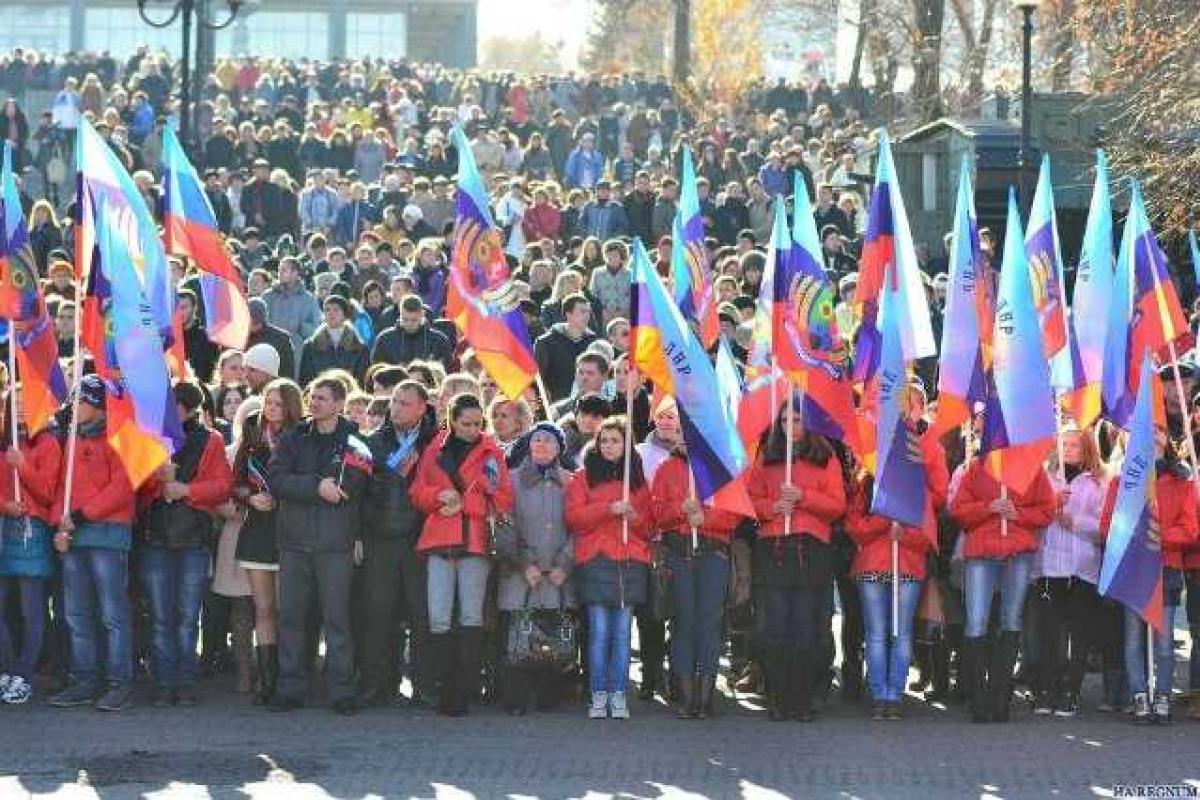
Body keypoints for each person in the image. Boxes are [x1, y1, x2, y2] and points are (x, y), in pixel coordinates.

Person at [268, 376, 373, 715]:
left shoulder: (357, 443)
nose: (314, 403)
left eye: (323, 398)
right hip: (295, 543)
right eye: (312, 397)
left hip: (335, 544)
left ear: (340, 404)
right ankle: (291, 688)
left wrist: (357, 535)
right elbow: (278, 479)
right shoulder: (293, 437)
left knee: (338, 620)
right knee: (292, 618)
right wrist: (316, 487)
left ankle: (341, 690)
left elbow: (357, 494)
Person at [411, 393, 513, 716]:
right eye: (466, 423)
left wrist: (465, 502)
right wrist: (438, 496)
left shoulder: (491, 451)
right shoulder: (434, 449)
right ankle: (440, 684)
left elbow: (504, 498)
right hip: (440, 540)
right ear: (452, 421)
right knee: (438, 615)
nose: (472, 429)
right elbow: (417, 492)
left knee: (471, 615)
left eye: (477, 423)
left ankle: (463, 689)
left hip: (474, 541)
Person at [844, 414, 949, 720]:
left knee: (901, 634)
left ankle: (895, 693)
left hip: (907, 566)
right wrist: (882, 522)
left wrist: (905, 534)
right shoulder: (866, 484)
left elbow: (928, 535)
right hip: (872, 568)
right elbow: (854, 526)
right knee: (876, 634)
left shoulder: (919, 487)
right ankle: (881, 695)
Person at [136, 381, 233, 707]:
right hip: (156, 538)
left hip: (192, 539)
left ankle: (186, 681)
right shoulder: (152, 438)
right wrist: (156, 478)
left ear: (187, 408)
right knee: (161, 615)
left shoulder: (211, 439)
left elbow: (221, 486)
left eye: (172, 405)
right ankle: (164, 682)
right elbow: (137, 485)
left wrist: (186, 491)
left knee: (189, 616)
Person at [747, 406, 847, 722]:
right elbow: (751, 499)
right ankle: (778, 697)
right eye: (785, 420)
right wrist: (773, 506)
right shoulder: (768, 455)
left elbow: (837, 505)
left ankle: (803, 698)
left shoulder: (825, 456)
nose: (791, 425)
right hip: (774, 549)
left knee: (807, 629)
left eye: (798, 419)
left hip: (811, 551)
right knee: (775, 629)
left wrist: (803, 497)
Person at [950, 430, 1055, 723]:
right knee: (976, 622)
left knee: (1011, 620)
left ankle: (1001, 697)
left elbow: (1047, 510)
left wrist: (1017, 514)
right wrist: (988, 508)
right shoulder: (976, 468)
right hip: (982, 552)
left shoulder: (1032, 468)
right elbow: (957, 510)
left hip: (1017, 552)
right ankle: (979, 697)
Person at [49, 376, 137, 712]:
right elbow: (61, 488)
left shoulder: (120, 436)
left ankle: (119, 683)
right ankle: (84, 679)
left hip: (108, 537)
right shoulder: (70, 438)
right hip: (75, 537)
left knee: (112, 614)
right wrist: (60, 524)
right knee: (76, 613)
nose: (74, 406)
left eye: (81, 401)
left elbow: (122, 488)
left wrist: (79, 517)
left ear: (98, 404)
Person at [1101, 426, 1198, 724]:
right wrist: (1135, 538)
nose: (1153, 435)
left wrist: (1162, 538)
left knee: (1165, 640)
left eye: (1159, 430)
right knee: (1132, 639)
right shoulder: (1121, 482)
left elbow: (1191, 527)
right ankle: (1139, 694)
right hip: (1134, 567)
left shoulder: (1181, 481)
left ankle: (1164, 696)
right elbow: (1107, 525)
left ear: (1167, 439)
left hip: (1166, 566)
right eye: (1147, 429)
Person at [651, 437, 746, 718]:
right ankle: (685, 695)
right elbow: (655, 511)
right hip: (678, 555)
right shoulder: (667, 468)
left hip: (713, 554)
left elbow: (735, 514)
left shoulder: (722, 467)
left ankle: (705, 698)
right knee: (683, 623)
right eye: (681, 430)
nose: (685, 436)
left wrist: (706, 518)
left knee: (708, 624)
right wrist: (679, 510)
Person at [565, 416, 653, 720]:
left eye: (616, 441)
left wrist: (634, 517)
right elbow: (574, 517)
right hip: (595, 559)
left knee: (622, 633)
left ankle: (619, 693)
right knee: (599, 632)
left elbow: (650, 526)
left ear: (626, 444)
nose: (609, 446)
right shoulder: (582, 477)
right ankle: (598, 692)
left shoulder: (638, 480)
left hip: (629, 560)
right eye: (604, 440)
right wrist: (608, 509)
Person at [361, 380, 439, 706]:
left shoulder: (437, 442)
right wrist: (394, 475)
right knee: (379, 614)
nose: (396, 408)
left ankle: (424, 686)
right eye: (394, 401)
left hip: (422, 539)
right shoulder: (373, 442)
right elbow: (363, 491)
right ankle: (379, 684)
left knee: (422, 615)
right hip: (382, 538)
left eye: (405, 403)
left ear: (422, 407)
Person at [495, 422, 575, 715]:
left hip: (558, 575)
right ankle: (515, 698)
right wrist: (524, 562)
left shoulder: (573, 482)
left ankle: (549, 697)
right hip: (520, 574)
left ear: (560, 449)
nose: (542, 445)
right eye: (537, 439)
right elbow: (504, 524)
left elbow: (582, 527)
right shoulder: (510, 479)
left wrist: (566, 562)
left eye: (550, 441)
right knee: (517, 637)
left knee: (553, 636)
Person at [1029, 427, 1109, 717]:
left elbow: (1103, 527)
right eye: (1063, 444)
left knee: (1079, 632)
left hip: (1083, 567)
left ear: (1086, 448)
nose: (1068, 449)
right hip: (1050, 565)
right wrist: (1053, 505)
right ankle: (1046, 690)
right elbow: (1033, 514)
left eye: (1074, 444)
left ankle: (1071, 691)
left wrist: (1073, 521)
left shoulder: (1099, 480)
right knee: (1051, 632)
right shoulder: (1047, 477)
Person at [0, 386, 63, 705]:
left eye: (29, 403)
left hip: (31, 533)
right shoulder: (3, 442)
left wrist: (22, 464)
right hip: (3, 529)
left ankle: (24, 673)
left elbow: (49, 493)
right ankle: (7, 669)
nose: (22, 409)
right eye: (17, 403)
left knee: (31, 608)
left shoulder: (49, 442)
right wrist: (4, 505)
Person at [534, 294, 598, 402]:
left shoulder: (592, 341)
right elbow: (538, 376)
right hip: (556, 404)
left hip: (585, 403)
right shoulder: (546, 342)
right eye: (582, 311)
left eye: (588, 312)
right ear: (568, 314)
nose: (587, 316)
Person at [297, 295, 369, 385]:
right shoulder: (311, 346)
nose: (331, 313)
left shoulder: (359, 347)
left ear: (345, 314)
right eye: (327, 310)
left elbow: (363, 380)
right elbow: (305, 380)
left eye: (336, 310)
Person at [370, 294, 454, 369]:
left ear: (422, 314)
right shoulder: (385, 339)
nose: (409, 324)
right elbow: (376, 370)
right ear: (400, 314)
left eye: (414, 320)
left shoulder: (439, 340)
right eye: (405, 319)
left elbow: (447, 369)